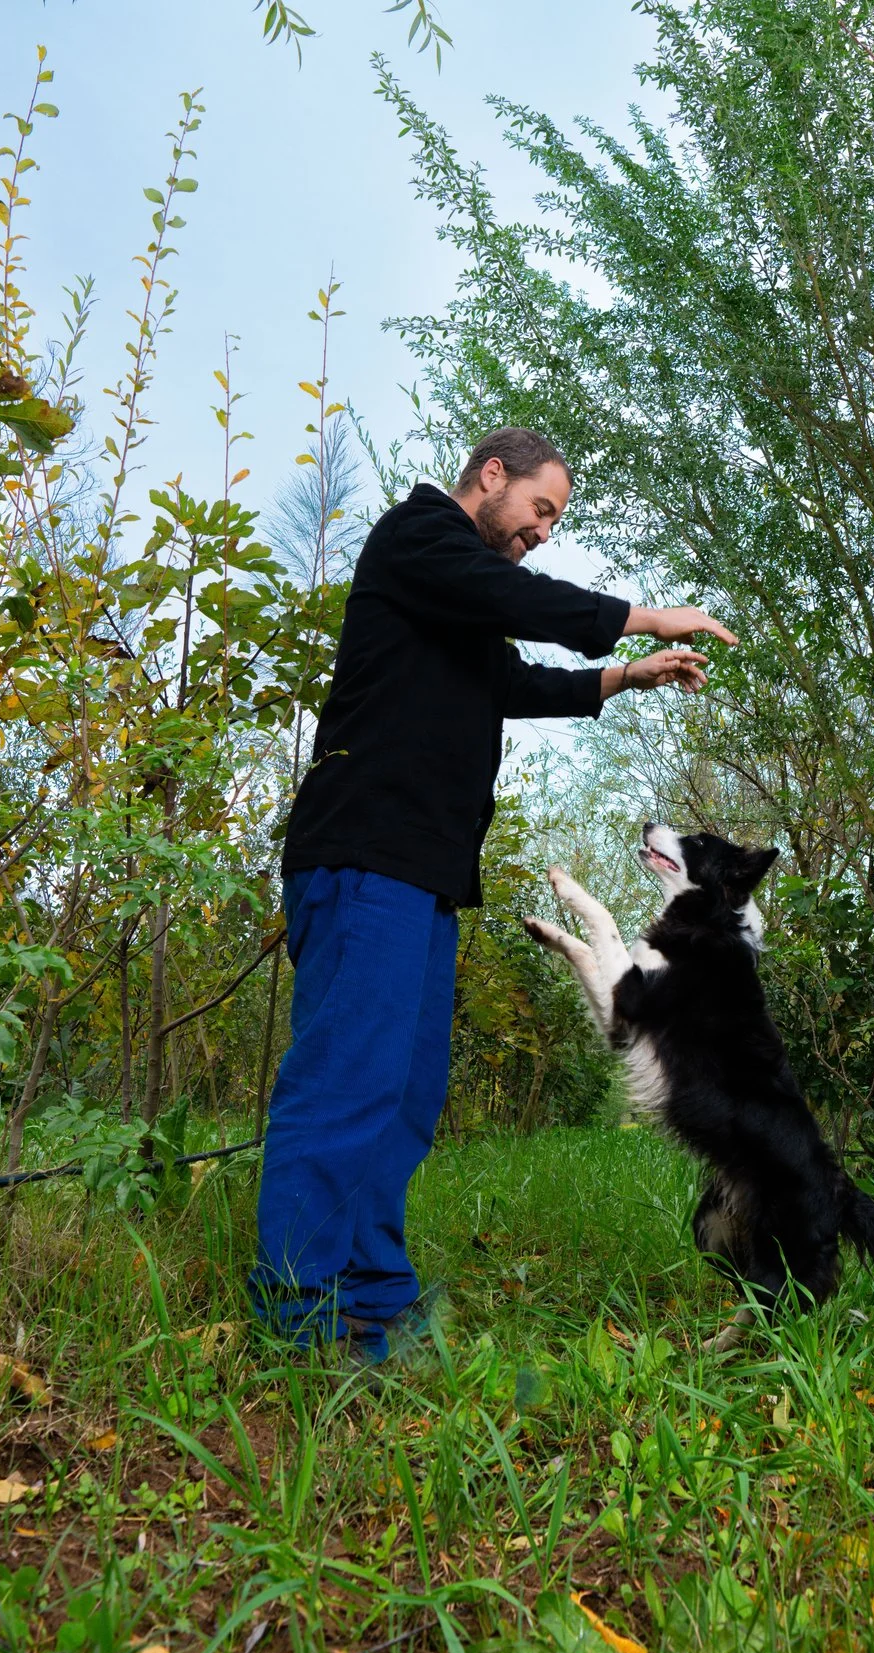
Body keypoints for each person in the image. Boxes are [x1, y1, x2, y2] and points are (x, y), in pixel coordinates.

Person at [253, 427, 736, 1361]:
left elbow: (506, 680)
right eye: (540, 509)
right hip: (365, 857)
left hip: (424, 876)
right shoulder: (417, 536)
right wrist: (643, 617)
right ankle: (297, 1319)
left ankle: (372, 1301)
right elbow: (510, 597)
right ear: (491, 476)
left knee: (403, 1094)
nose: (542, 533)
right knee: (346, 1084)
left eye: (555, 520)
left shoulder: (455, 597)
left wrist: (622, 677)